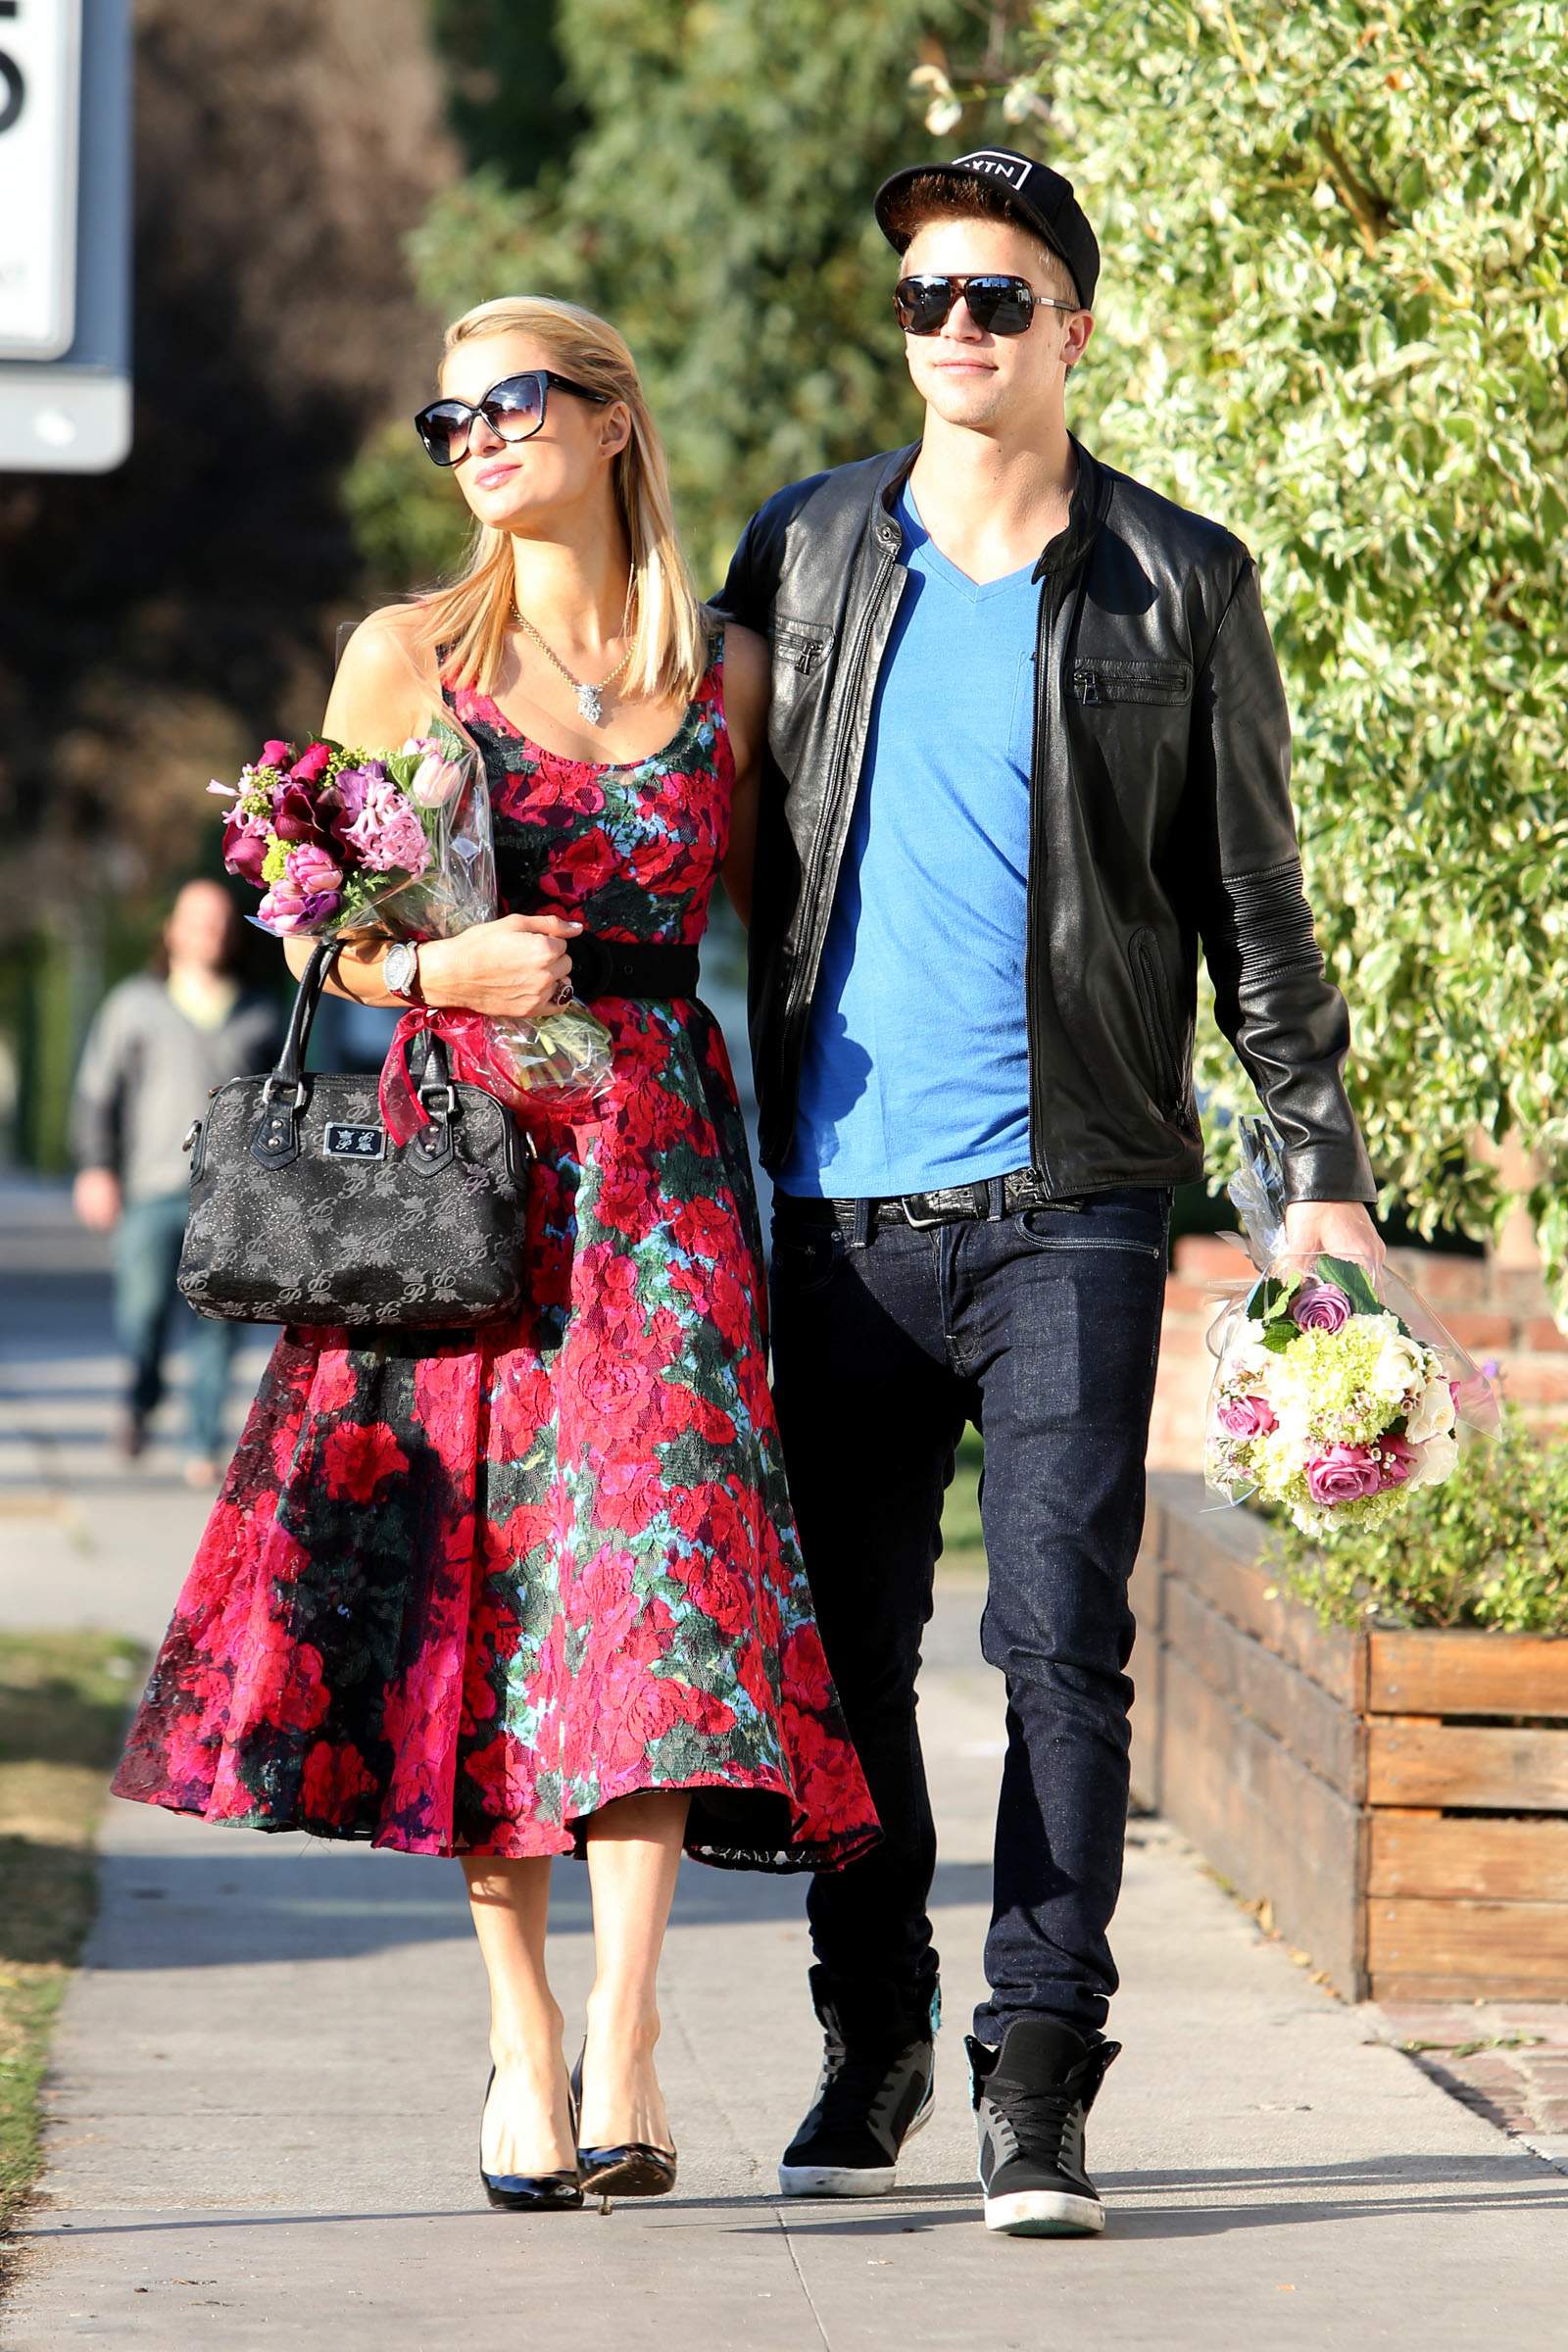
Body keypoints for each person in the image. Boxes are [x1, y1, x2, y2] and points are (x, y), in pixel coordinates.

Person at [111, 294, 877, 2216]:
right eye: (447, 416)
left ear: (613, 420)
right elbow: (320, 924)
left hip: (668, 1172)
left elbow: (793, 943)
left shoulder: (730, 678)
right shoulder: (406, 655)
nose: (471, 438)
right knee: (492, 1593)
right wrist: (430, 966)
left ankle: (626, 2035)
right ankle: (522, 2037)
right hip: (463, 1165)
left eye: (508, 403)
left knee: (659, 1587)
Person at [713, 147, 1385, 2238]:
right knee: (831, 1654)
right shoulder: (805, 554)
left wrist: (1323, 1185)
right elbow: (663, 805)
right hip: (833, 1208)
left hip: (1073, 1195)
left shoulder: (1177, 581)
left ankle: (1036, 2076)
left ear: (1072, 329)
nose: (955, 331)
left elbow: (1251, 909)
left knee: (1053, 1646)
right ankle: (875, 2024)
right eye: (924, 295)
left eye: (997, 296)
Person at [71, 879, 283, 1487]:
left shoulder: (261, 1012)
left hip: (229, 1197)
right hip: (150, 1187)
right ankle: (141, 1394)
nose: (208, 932)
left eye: (219, 922)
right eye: (196, 921)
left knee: (216, 1324)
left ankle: (200, 1442)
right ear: (171, 930)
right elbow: (96, 1094)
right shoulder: (133, 1005)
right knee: (142, 1312)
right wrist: (95, 1168)